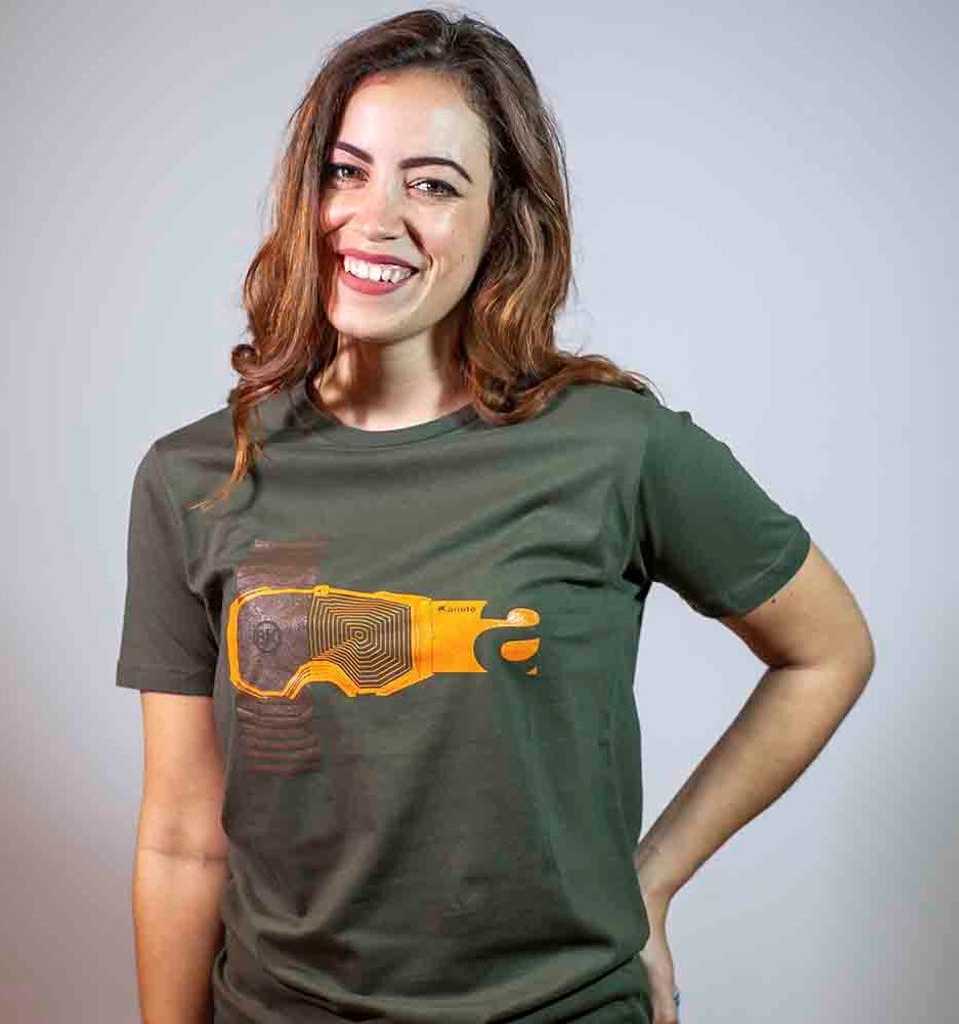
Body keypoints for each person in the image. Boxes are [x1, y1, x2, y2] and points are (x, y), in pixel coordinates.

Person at [115, 9, 875, 1024]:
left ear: (503, 219)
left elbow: (827, 650)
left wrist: (651, 878)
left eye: (432, 184)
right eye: (346, 171)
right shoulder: (197, 477)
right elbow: (181, 838)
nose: (374, 217)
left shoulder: (617, 448)